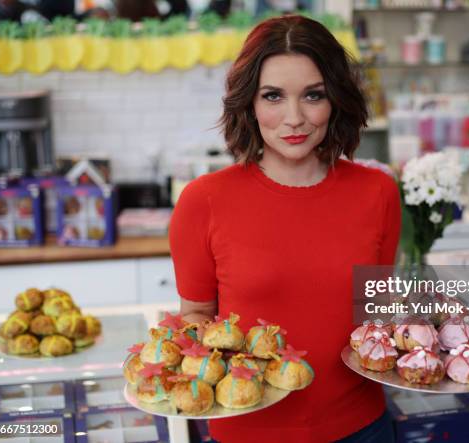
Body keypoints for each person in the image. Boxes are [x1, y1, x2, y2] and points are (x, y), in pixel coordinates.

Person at [169, 15, 401, 443]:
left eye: (313, 95)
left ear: (335, 99)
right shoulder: (202, 201)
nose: (293, 118)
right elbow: (197, 317)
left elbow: (377, 311)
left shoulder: (379, 192)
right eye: (273, 96)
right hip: (247, 430)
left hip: (362, 426)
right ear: (249, 104)